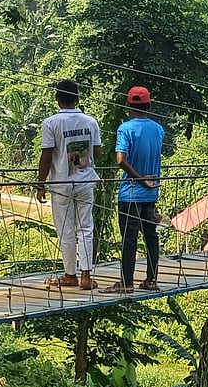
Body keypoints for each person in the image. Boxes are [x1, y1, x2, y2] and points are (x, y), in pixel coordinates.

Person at [36, 79, 101, 290]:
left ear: (57, 100)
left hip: (61, 184)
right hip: (85, 181)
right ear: (78, 98)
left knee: (65, 230)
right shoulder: (90, 122)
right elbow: (97, 153)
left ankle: (69, 275)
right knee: (86, 228)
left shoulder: (51, 123)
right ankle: (86, 276)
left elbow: (46, 157)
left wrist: (40, 184)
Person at [102, 86, 164, 294]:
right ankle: (151, 279)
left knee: (129, 237)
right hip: (151, 193)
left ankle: (126, 282)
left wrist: (139, 180)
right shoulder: (158, 129)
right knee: (150, 236)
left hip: (130, 192)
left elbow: (121, 160)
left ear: (128, 105)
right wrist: (148, 182)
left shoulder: (125, 128)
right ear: (149, 104)